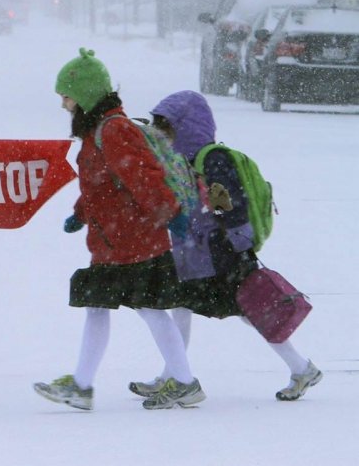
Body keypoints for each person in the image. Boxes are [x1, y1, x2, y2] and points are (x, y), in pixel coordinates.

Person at [33, 48, 206, 411]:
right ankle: (82, 385)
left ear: (85, 95)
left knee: (149, 309)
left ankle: (185, 383)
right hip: (114, 238)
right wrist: (80, 212)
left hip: (134, 238)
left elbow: (144, 177)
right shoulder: (99, 131)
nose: (64, 104)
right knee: (102, 306)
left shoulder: (115, 130)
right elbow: (101, 184)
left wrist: (170, 213)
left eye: (67, 96)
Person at [129, 90, 321, 401]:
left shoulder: (211, 158)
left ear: (185, 126)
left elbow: (231, 205)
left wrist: (236, 242)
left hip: (222, 254)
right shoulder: (184, 160)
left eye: (166, 126)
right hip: (198, 252)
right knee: (184, 307)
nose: (162, 133)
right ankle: (173, 376)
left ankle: (300, 368)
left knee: (253, 310)